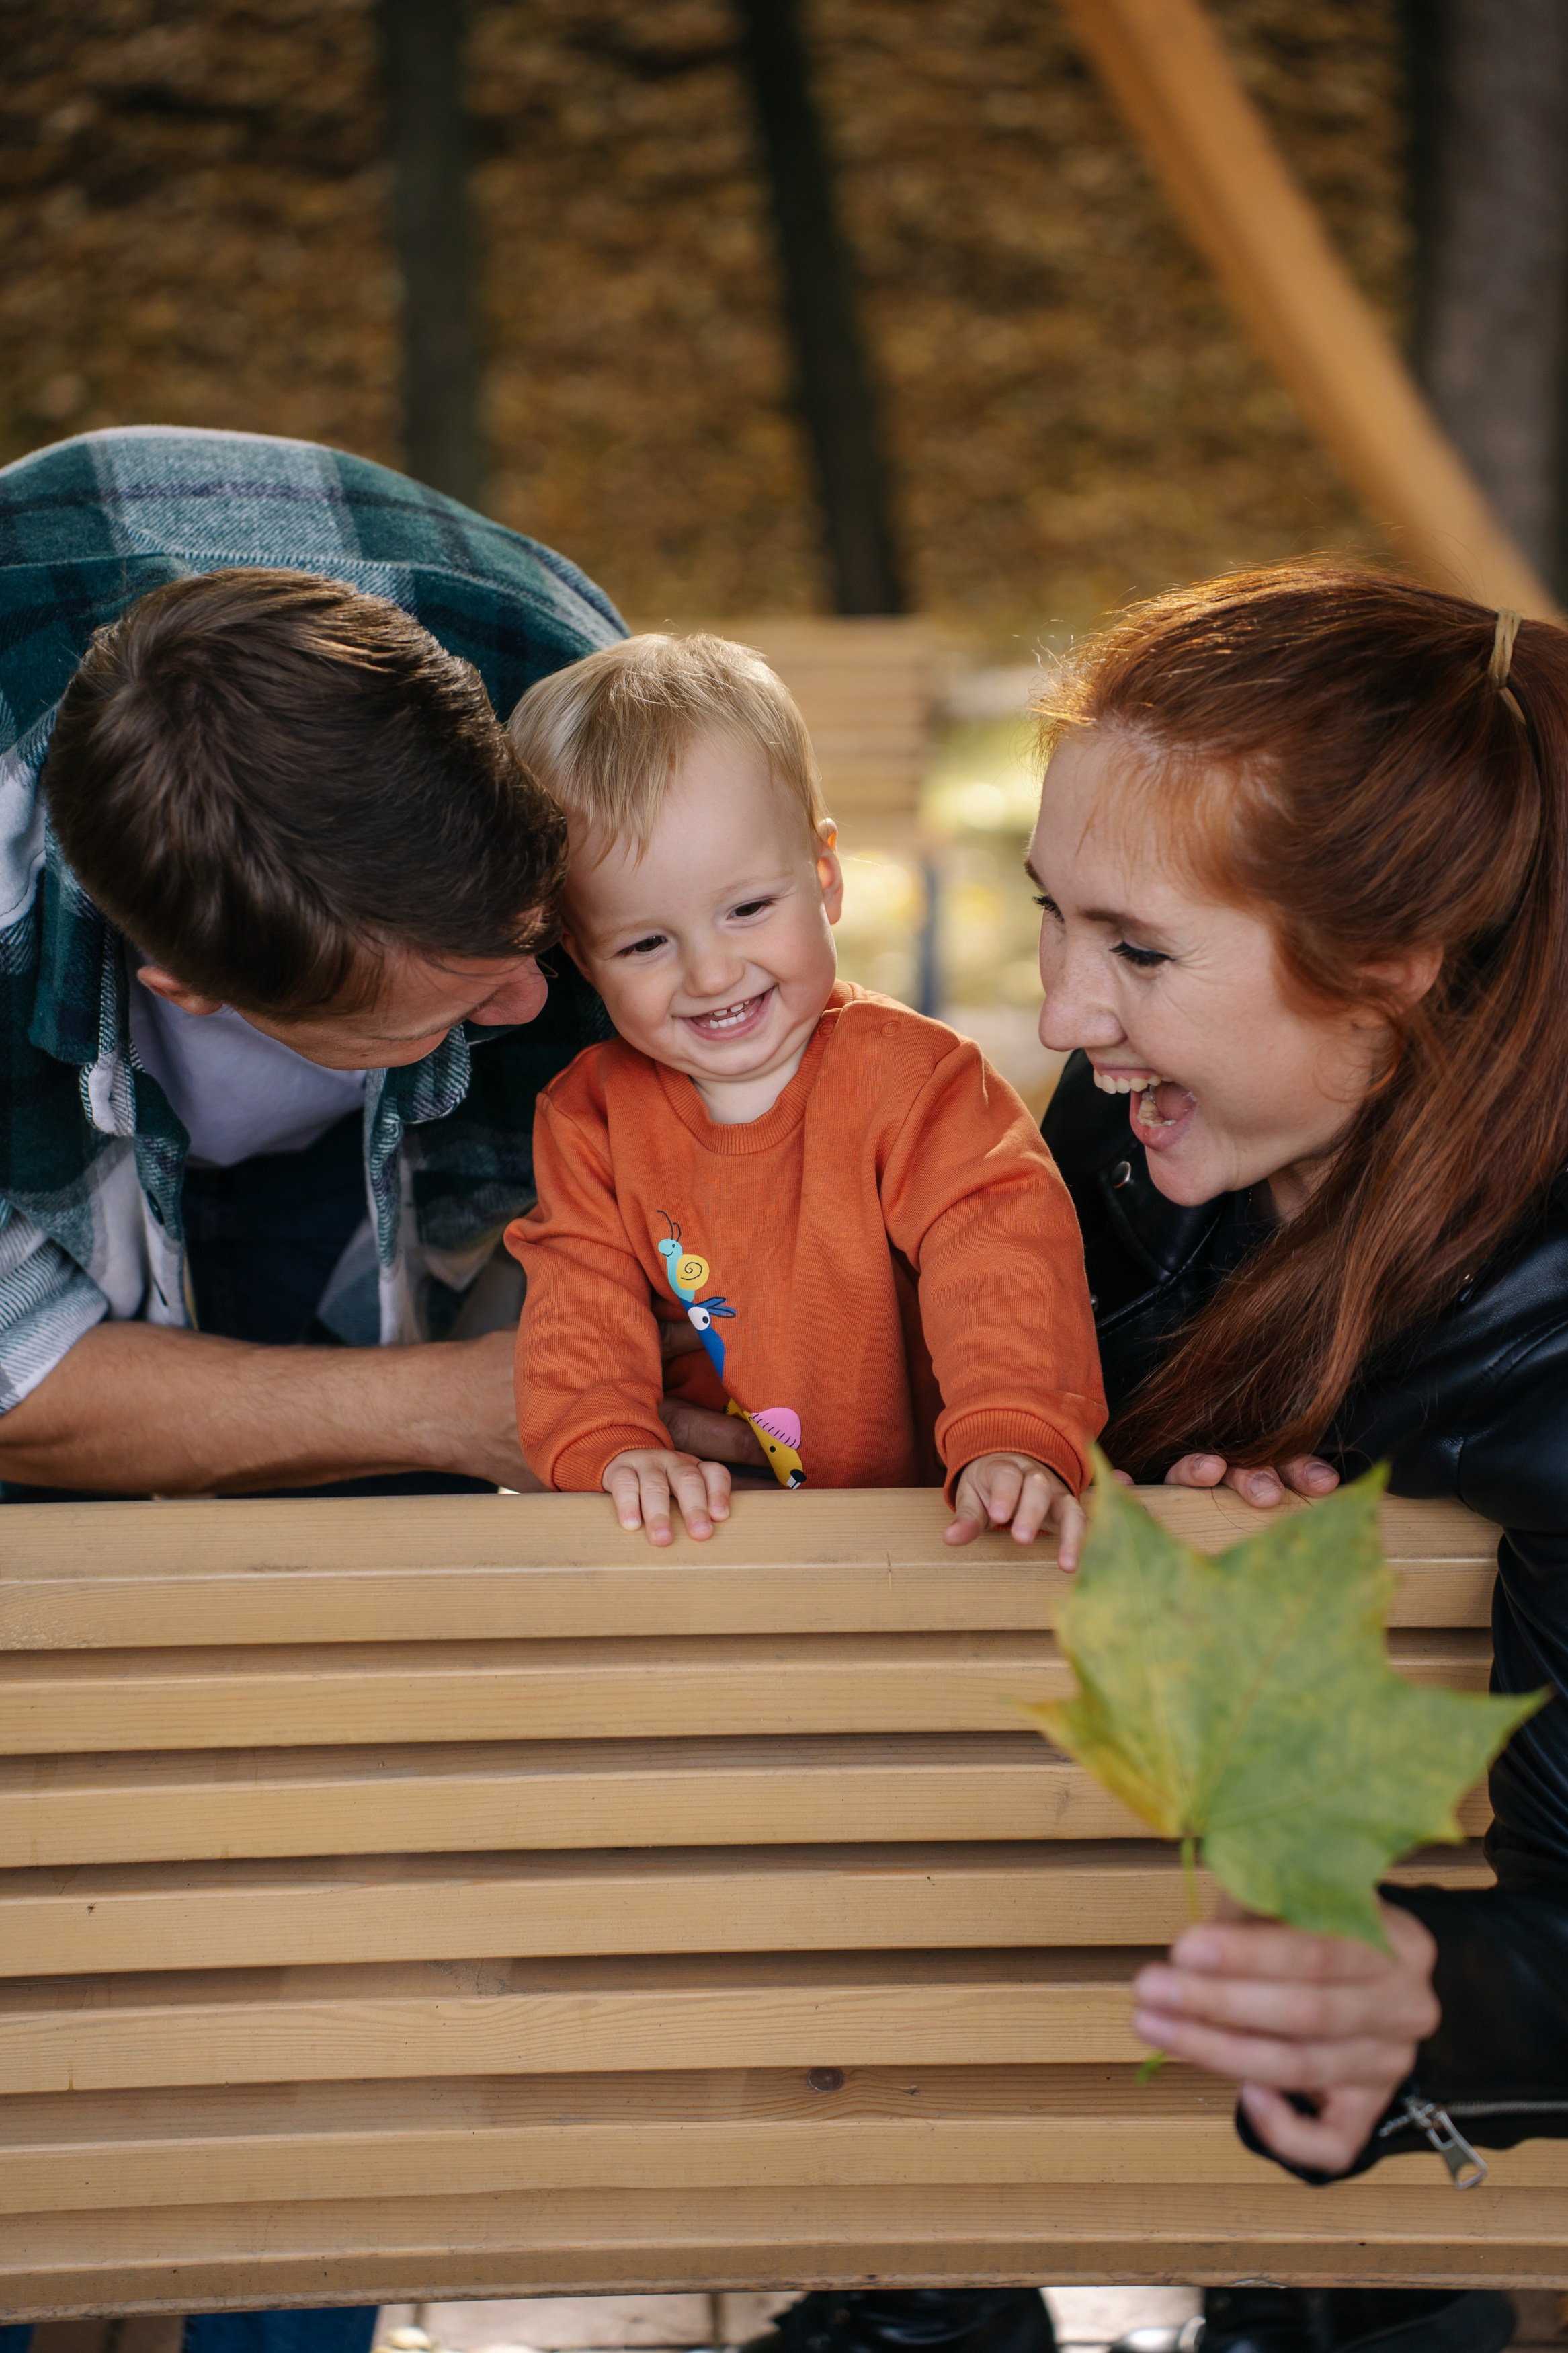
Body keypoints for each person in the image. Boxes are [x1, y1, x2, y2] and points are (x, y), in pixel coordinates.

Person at [0, 422, 638, 2353]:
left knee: (355, 1850)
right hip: (64, 1191)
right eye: (453, 1002)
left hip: (408, 1241)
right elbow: (17, 1379)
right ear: (190, 986)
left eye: (523, 945)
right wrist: (451, 1405)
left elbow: (743, 1067)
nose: (540, 1006)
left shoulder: (569, 706)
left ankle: (302, 2290)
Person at [1029, 565, 1568, 2353]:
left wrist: (1419, 2010)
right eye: (1052, 921)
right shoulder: (1137, 1134)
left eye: (1133, 946)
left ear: (1392, 965)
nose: (1058, 1013)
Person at [503, 632, 1105, 1560]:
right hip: (719, 1535)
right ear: (582, 958)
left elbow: (1002, 1252)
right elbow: (579, 1309)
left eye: (747, 909)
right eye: (643, 946)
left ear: (823, 876)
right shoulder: (590, 1119)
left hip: (933, 1523)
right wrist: (612, 1448)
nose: (711, 972)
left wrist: (1013, 1434)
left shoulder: (915, 1080)